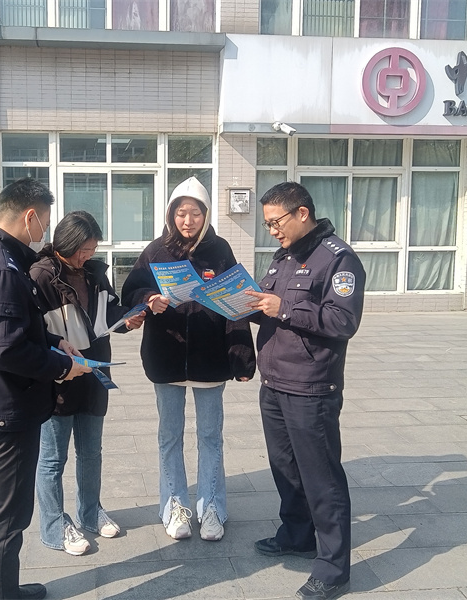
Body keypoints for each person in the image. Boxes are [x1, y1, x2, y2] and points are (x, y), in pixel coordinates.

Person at [0, 178, 91, 600]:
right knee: (7, 517)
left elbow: (16, 328)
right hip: (8, 407)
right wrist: (63, 367)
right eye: (45, 222)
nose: (45, 232)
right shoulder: (0, 267)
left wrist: (54, 342)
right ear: (30, 216)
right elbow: (6, 349)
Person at [245, 181, 365, 600]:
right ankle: (297, 534)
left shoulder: (338, 259)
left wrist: (286, 308)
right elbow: (272, 310)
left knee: (321, 478)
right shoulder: (284, 257)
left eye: (275, 222)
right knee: (286, 468)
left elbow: (342, 321)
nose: (271, 230)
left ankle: (333, 570)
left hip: (310, 385)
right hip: (274, 381)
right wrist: (242, 304)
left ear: (302, 213)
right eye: (267, 224)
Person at [122, 176, 256, 542]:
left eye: (195, 213)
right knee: (170, 436)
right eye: (181, 213)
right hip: (165, 356)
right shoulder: (156, 251)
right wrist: (149, 298)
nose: (187, 220)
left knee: (211, 436)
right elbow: (131, 290)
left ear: (206, 214)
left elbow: (236, 303)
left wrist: (242, 358)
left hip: (209, 360)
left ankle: (211, 507)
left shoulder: (220, 250)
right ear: (171, 214)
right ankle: (175, 506)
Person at [30, 211, 146, 556]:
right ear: (66, 244)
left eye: (93, 249)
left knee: (91, 452)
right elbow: (32, 332)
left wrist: (129, 319)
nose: (88, 256)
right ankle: (54, 525)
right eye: (83, 250)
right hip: (59, 376)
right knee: (53, 460)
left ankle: (90, 512)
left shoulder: (95, 274)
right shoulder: (41, 276)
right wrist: (57, 358)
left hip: (94, 373)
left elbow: (109, 315)